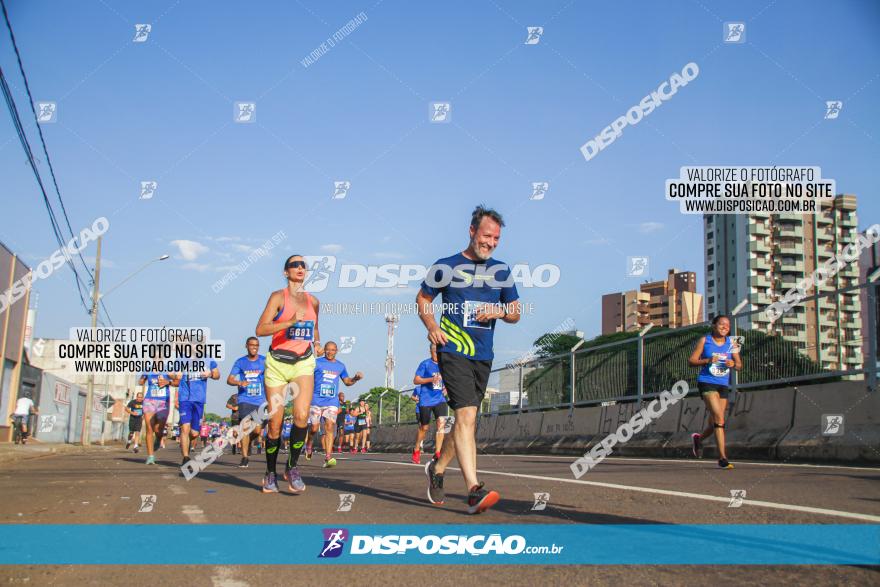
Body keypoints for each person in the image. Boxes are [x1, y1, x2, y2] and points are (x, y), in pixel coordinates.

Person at [417, 205, 521, 514]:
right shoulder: (446, 266)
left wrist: (499, 311)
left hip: (483, 355)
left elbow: (515, 312)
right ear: (472, 231)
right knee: (465, 417)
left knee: (467, 420)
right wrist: (433, 327)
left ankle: (437, 468)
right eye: (487, 235)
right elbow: (423, 299)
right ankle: (474, 490)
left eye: (497, 238)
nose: (491, 242)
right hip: (453, 350)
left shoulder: (501, 271)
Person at [255, 254, 323, 494]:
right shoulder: (277, 297)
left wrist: (317, 342)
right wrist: (289, 323)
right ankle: (270, 472)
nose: (300, 268)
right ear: (286, 272)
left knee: (302, 416)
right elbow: (261, 329)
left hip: (303, 363)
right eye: (295, 265)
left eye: (303, 265)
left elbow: (315, 327)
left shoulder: (313, 301)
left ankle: (292, 467)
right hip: (277, 364)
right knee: (274, 425)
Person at [688, 314, 742, 469]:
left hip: (723, 384)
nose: (725, 327)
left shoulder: (733, 343)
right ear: (714, 325)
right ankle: (722, 458)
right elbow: (691, 361)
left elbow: (739, 365)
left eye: (728, 325)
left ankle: (699, 439)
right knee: (719, 417)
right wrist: (706, 360)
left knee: (717, 421)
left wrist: (733, 364)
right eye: (721, 324)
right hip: (707, 382)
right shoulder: (705, 340)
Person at [306, 341, 363, 468]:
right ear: (324, 350)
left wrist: (355, 378)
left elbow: (347, 382)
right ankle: (309, 443)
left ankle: (328, 457)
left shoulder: (340, 366)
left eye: (333, 350)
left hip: (331, 402)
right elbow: (306, 377)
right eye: (328, 349)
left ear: (336, 351)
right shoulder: (317, 362)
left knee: (330, 427)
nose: (330, 352)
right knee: (314, 428)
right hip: (316, 400)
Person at [171, 356, 220, 466]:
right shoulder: (181, 359)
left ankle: (186, 442)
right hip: (185, 399)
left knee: (194, 433)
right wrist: (176, 375)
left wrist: (210, 374)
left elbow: (217, 375)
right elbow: (170, 373)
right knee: (185, 427)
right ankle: (185, 457)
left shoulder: (208, 360)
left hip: (199, 400)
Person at [227, 336, 267, 468]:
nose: (254, 347)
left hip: (260, 400)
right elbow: (229, 379)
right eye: (251, 345)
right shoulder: (240, 362)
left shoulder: (264, 361)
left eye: (256, 345)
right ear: (246, 346)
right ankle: (244, 457)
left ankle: (248, 441)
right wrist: (239, 382)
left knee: (256, 430)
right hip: (244, 399)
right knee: (244, 428)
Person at [411, 344, 448, 464]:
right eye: (435, 352)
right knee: (424, 427)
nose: (437, 354)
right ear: (430, 351)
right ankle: (416, 448)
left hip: (440, 399)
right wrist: (431, 379)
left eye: (439, 352)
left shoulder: (445, 365)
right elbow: (416, 380)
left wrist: (446, 388)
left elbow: (449, 379)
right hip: (426, 400)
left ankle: (438, 453)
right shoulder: (425, 364)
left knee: (442, 424)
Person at [139, 371, 172, 465]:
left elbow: (177, 381)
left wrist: (168, 382)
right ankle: (150, 456)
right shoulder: (148, 370)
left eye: (159, 356)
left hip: (163, 402)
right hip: (150, 400)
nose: (157, 358)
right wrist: (143, 377)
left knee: (158, 429)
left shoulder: (168, 369)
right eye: (155, 356)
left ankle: (158, 438)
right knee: (149, 428)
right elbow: (140, 382)